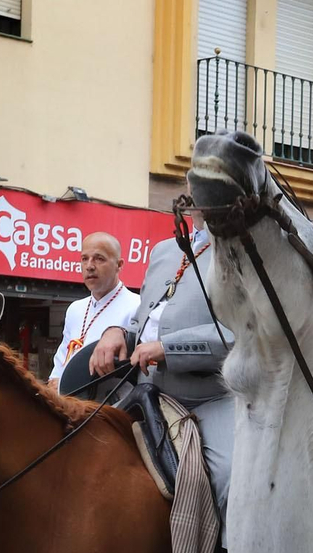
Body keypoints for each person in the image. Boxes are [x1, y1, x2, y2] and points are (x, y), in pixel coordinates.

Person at [86, 222, 236, 528]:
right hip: (146, 394)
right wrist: (117, 333)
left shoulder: (238, 253)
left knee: (229, 477)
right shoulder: (163, 250)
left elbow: (239, 335)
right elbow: (146, 317)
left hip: (207, 399)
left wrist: (169, 348)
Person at [47, 232, 140, 390]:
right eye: (84, 259)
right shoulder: (75, 309)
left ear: (119, 265)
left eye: (99, 258)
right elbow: (62, 356)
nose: (89, 266)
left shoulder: (138, 306)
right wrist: (55, 380)